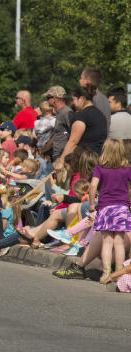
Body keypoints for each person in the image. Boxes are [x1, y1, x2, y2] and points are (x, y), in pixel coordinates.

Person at [88, 138, 131, 283]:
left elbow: (93, 186)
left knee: (107, 241)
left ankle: (106, 273)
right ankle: (119, 273)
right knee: (119, 241)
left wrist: (91, 204)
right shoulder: (127, 169)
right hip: (122, 208)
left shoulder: (100, 168)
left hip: (106, 207)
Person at [58, 85, 108, 168]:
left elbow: (73, 141)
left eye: (74, 99)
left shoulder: (82, 116)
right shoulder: (100, 114)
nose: (73, 102)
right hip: (99, 159)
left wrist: (61, 161)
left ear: (80, 98)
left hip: (85, 161)